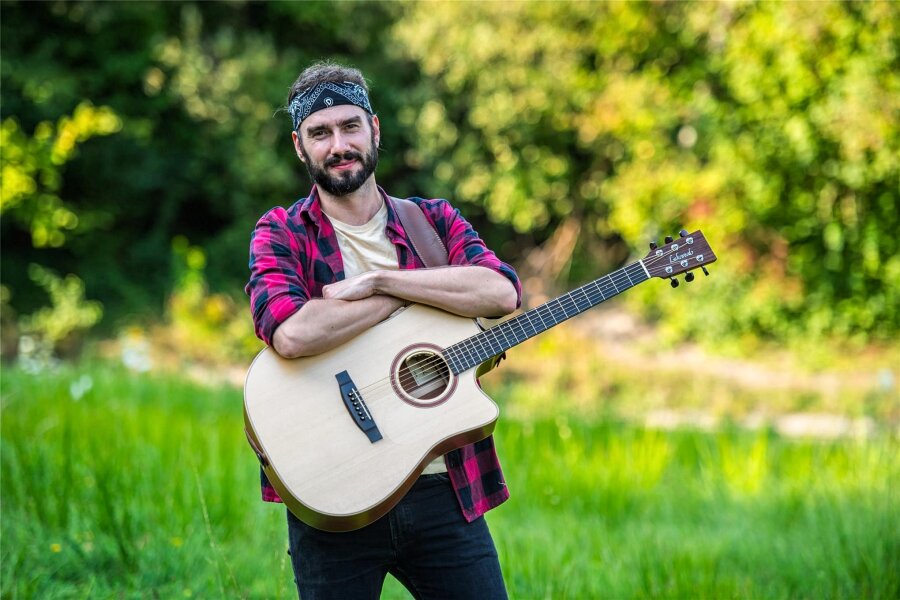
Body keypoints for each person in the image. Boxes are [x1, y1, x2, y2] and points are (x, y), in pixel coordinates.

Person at [245, 61, 521, 599]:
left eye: (350, 126)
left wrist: (379, 283)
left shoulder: (434, 220)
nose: (338, 144)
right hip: (334, 492)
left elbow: (500, 292)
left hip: (446, 490)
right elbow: (292, 332)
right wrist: (411, 293)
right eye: (319, 133)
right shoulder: (281, 232)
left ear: (375, 128)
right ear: (300, 147)